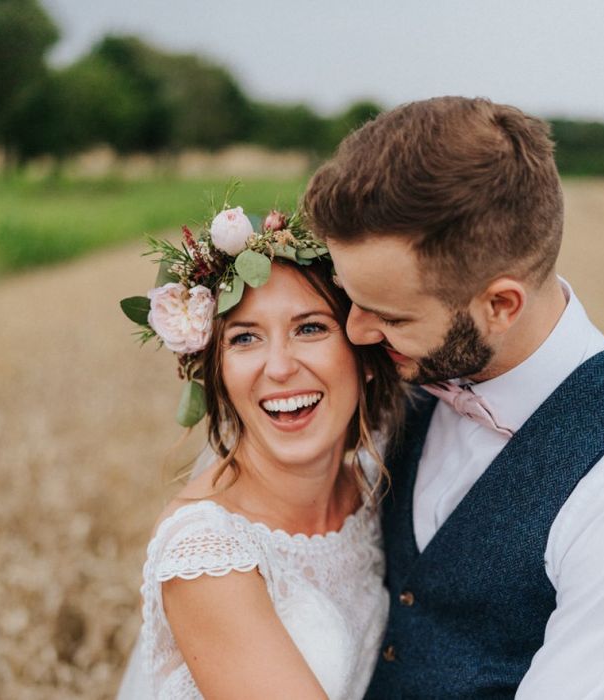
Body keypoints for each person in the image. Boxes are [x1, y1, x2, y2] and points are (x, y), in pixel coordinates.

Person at [302, 96, 604, 699]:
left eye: (389, 316)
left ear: (500, 305)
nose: (357, 333)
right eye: (350, 298)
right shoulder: (407, 371)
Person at [116, 206, 402, 699]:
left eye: (310, 328)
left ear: (365, 354)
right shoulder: (206, 555)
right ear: (216, 372)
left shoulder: (373, 490)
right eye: (245, 338)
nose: (280, 367)